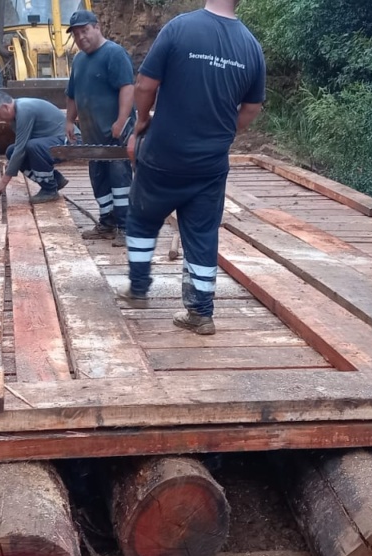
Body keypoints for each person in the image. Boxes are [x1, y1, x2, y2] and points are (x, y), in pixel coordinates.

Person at [119, 0, 265, 336]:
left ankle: (138, 288)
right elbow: (251, 108)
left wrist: (141, 121)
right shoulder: (251, 46)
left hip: (164, 156)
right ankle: (200, 313)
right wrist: (223, 134)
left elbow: (144, 85)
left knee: (142, 217)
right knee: (201, 233)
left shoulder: (180, 28)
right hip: (210, 164)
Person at [65, 9, 136, 247]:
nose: (81, 37)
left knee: (120, 178)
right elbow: (73, 94)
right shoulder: (79, 60)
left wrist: (121, 120)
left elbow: (127, 88)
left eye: (84, 31)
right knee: (99, 179)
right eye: (76, 34)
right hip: (92, 135)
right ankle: (106, 224)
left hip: (115, 133)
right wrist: (69, 120)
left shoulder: (114, 54)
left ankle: (126, 228)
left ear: (97, 27)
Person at [0, 92, 69, 203]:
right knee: (11, 151)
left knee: (32, 147)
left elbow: (21, 149)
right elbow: (18, 149)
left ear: (5, 107)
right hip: (52, 143)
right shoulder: (16, 115)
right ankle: (55, 180)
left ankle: (49, 190)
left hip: (68, 141)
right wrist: (12, 165)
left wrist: (3, 182)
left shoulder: (24, 111)